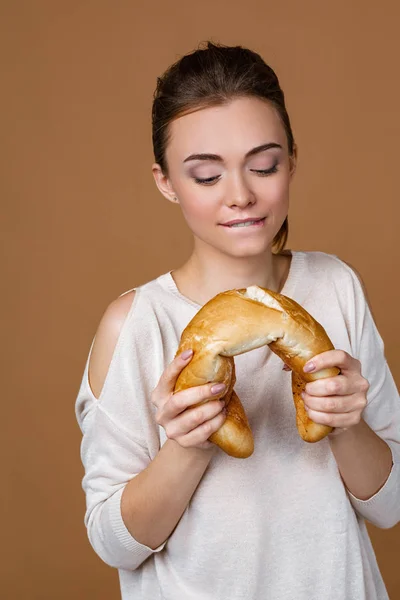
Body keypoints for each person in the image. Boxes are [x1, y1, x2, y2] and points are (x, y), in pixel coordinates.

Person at [75, 41, 400, 600]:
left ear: (292, 160)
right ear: (165, 181)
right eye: (206, 176)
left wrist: (348, 426)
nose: (242, 195)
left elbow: (391, 507)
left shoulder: (335, 287)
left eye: (264, 165)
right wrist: (186, 446)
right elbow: (114, 544)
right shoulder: (136, 323)